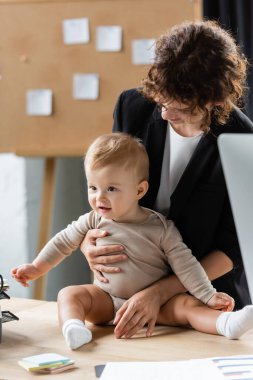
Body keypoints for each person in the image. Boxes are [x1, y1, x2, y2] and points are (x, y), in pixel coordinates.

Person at [81, 20, 253, 340]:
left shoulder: (243, 142)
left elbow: (233, 248)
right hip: (129, 283)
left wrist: (160, 292)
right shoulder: (132, 107)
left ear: (215, 98)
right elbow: (108, 183)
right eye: (162, 101)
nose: (164, 114)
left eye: (181, 107)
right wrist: (89, 241)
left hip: (205, 300)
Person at [11, 133, 253, 350]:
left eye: (111, 189)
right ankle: (74, 328)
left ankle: (226, 324)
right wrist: (36, 267)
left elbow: (187, 266)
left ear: (139, 190)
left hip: (159, 305)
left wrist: (209, 295)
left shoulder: (161, 228)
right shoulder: (93, 219)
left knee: (188, 306)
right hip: (105, 300)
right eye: (93, 187)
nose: (99, 198)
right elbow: (63, 242)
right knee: (69, 295)